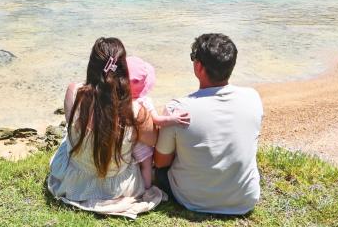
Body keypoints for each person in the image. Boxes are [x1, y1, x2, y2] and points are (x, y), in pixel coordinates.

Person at [47, 37, 165, 218]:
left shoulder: (75, 92)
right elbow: (153, 140)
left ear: (91, 65)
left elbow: (73, 127)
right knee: (139, 145)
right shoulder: (134, 110)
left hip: (75, 180)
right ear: (123, 69)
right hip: (118, 187)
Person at [154, 33, 263, 215]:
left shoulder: (179, 109)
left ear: (198, 67)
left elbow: (161, 162)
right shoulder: (252, 98)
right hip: (245, 198)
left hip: (191, 199)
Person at [127, 56, 190, 189]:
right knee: (146, 166)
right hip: (143, 144)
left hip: (127, 142)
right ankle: (147, 188)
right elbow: (157, 120)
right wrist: (173, 119)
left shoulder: (121, 100)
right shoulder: (144, 101)